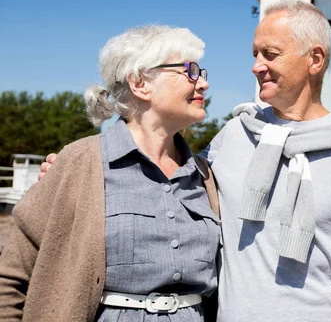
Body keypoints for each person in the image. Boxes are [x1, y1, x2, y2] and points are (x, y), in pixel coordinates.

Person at [39, 0, 331, 322]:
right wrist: (74, 169)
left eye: (270, 54)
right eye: (255, 54)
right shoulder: (236, 133)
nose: (256, 67)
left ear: (314, 60)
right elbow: (166, 176)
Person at [0, 25, 220, 322]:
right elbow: (11, 279)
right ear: (140, 82)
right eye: (190, 71)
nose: (203, 83)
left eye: (201, 72)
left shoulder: (205, 175)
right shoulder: (78, 163)